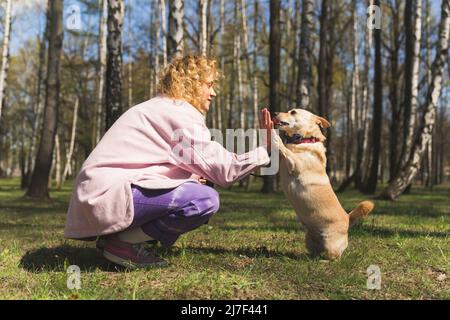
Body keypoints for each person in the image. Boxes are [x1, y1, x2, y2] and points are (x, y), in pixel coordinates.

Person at [64, 54, 274, 269]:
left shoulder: (162, 108)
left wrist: (192, 177)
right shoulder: (178, 113)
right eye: (209, 85)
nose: (213, 93)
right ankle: (121, 243)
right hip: (105, 195)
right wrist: (265, 149)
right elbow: (225, 171)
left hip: (99, 193)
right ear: (190, 84)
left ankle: (119, 239)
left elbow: (150, 161)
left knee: (195, 187)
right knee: (203, 200)